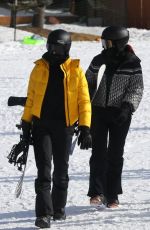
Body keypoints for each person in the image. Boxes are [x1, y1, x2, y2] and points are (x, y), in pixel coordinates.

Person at [21, 29, 92, 228]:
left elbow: (84, 101)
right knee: (43, 170)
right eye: (50, 46)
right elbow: (31, 98)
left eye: (58, 47)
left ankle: (59, 209)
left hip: (64, 127)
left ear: (66, 47)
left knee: (61, 170)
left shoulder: (75, 70)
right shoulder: (39, 68)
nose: (53, 51)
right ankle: (43, 214)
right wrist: (26, 123)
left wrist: (85, 127)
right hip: (41, 125)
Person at [85, 26, 144, 208]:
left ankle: (112, 195)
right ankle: (97, 191)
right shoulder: (101, 60)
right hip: (99, 111)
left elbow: (136, 88)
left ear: (118, 43)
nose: (104, 46)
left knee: (115, 154)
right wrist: (95, 65)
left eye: (107, 42)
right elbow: (86, 83)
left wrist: (127, 107)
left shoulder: (132, 62)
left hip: (120, 114)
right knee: (98, 153)